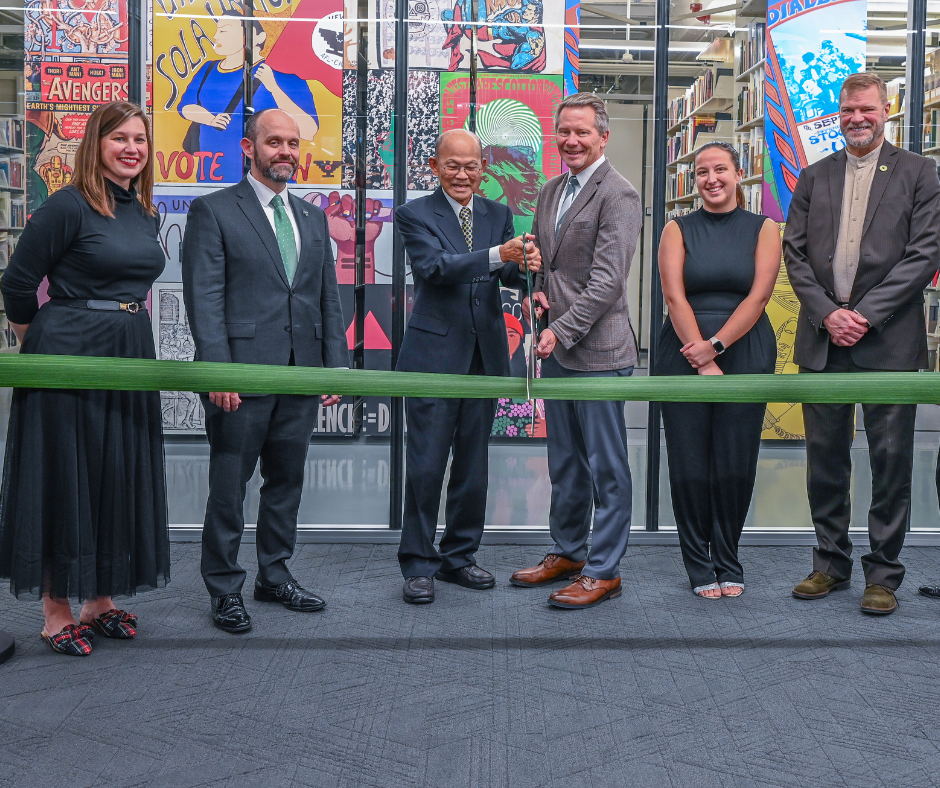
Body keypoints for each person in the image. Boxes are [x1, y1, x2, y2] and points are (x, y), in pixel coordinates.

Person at [0, 101, 170, 656]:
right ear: (95, 143)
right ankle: (56, 612)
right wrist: (36, 344)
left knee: (114, 470)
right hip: (68, 349)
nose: (132, 148)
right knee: (65, 473)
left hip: (128, 348)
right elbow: (17, 284)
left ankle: (98, 601)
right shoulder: (67, 205)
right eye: (120, 137)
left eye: (140, 139)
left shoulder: (142, 211)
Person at [181, 108, 347, 633]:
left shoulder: (312, 217)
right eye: (274, 142)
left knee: (286, 481)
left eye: (293, 144)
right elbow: (203, 299)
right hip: (241, 377)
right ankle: (224, 587)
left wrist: (333, 369)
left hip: (300, 373)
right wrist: (218, 372)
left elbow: (326, 297)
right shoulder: (213, 211)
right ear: (248, 148)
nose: (286, 153)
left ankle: (274, 574)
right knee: (229, 485)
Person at [783, 73, 940, 616]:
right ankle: (829, 563)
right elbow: (794, 255)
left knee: (891, 461)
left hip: (890, 342)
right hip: (823, 340)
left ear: (886, 110)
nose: (857, 118)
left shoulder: (920, 173)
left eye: (867, 109)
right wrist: (829, 315)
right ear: (838, 113)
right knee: (824, 460)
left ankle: (884, 574)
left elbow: (924, 254)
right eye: (848, 110)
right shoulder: (812, 176)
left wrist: (865, 316)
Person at [394, 128, 540, 604]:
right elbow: (435, 269)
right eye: (452, 165)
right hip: (433, 359)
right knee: (426, 466)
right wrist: (503, 254)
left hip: (485, 358)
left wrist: (528, 264)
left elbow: (511, 274)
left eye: (471, 166)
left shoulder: (498, 214)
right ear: (434, 166)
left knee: (474, 468)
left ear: (483, 169)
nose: (462, 174)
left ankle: (459, 557)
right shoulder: (414, 214)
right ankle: (418, 563)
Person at [510, 93, 642, 609]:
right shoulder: (549, 191)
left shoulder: (620, 195)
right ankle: (569, 551)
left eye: (582, 132)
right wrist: (534, 289)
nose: (571, 140)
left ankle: (604, 569)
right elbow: (548, 266)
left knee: (606, 466)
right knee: (565, 464)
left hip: (599, 352)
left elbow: (609, 281)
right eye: (564, 131)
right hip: (559, 350)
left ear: (603, 137)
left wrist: (559, 329)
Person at [655, 142, 780, 599]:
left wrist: (717, 347)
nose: (712, 178)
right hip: (682, 353)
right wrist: (701, 354)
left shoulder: (764, 227)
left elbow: (760, 295)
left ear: (738, 173)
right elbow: (674, 297)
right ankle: (697, 563)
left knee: (735, 460)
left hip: (745, 350)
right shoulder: (676, 228)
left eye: (721, 169)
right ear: (694, 179)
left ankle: (728, 558)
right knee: (688, 460)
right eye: (702, 171)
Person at [178, 11, 319, 183]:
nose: (215, 36)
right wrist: (211, 119)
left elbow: (309, 131)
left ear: (256, 37)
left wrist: (274, 88)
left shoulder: (285, 77)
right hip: (213, 178)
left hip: (270, 182)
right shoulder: (208, 69)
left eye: (224, 31)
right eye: (217, 30)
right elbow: (184, 107)